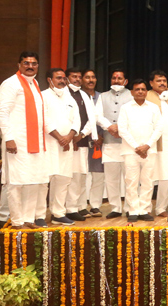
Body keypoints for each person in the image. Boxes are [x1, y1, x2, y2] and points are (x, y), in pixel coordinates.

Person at [0, 51, 48, 229]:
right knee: (16, 183)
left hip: (35, 143)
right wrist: (8, 138)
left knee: (34, 180)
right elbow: (2, 113)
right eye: (26, 63)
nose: (30, 66)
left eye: (34, 63)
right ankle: (17, 221)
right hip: (17, 142)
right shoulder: (10, 84)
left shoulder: (35, 83)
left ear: (38, 66)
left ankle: (28, 219)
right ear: (19, 65)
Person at [117, 79, 162, 222]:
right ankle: (133, 210)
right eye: (137, 89)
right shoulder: (125, 108)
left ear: (147, 91)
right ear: (132, 92)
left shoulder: (154, 107)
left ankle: (144, 209)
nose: (140, 92)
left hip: (149, 150)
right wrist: (137, 147)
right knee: (131, 181)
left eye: (143, 89)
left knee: (147, 181)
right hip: (130, 151)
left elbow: (158, 128)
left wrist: (147, 145)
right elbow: (122, 130)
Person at [43, 68, 81, 225]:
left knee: (63, 179)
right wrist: (60, 138)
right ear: (49, 80)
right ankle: (39, 215)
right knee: (45, 179)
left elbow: (77, 120)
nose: (62, 81)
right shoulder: (43, 96)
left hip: (66, 144)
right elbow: (44, 120)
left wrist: (69, 137)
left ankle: (58, 213)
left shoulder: (69, 98)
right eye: (58, 78)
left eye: (64, 78)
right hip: (49, 143)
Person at [95, 69, 133, 219]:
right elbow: (98, 115)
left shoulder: (132, 95)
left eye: (120, 78)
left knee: (130, 178)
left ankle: (130, 207)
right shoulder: (103, 96)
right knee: (111, 179)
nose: (116, 80)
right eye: (114, 78)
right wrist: (109, 127)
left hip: (128, 143)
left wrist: (121, 129)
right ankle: (116, 208)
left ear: (126, 81)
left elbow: (135, 116)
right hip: (110, 142)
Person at [64, 67, 96, 222]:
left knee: (80, 176)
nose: (76, 79)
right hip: (66, 142)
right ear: (67, 78)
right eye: (73, 76)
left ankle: (78, 206)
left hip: (81, 140)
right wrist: (71, 137)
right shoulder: (63, 94)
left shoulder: (85, 95)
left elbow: (92, 119)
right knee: (69, 177)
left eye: (78, 77)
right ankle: (69, 209)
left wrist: (81, 135)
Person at [146, 70, 168, 217]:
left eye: (164, 81)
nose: (162, 83)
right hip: (151, 142)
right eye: (158, 81)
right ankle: (145, 208)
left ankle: (161, 208)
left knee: (166, 176)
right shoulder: (146, 96)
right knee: (148, 176)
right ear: (151, 83)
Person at [80, 69, 104, 217]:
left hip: (99, 142)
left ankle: (95, 206)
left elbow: (104, 118)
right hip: (81, 140)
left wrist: (101, 136)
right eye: (87, 77)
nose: (90, 80)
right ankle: (81, 206)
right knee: (81, 175)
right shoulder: (77, 96)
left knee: (98, 176)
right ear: (81, 80)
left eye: (93, 77)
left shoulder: (101, 97)